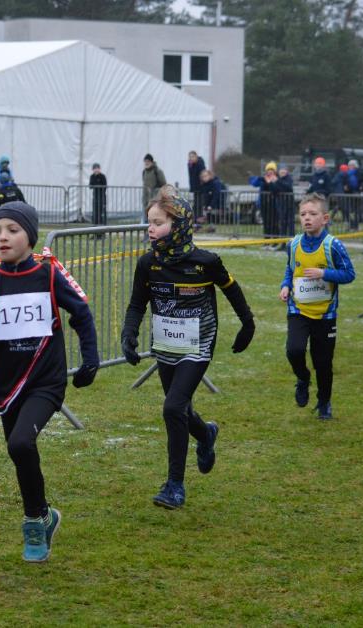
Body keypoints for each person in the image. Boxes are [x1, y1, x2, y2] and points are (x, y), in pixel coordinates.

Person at [0, 201, 99, 563]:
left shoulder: (47, 276)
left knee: (20, 442)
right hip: (8, 386)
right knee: (19, 452)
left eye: (12, 230)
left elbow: (81, 313)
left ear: (29, 237)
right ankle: (45, 515)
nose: (2, 237)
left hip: (46, 382)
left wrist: (90, 359)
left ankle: (32, 523)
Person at [121, 186, 255, 510]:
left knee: (171, 408)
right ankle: (206, 434)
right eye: (148, 222)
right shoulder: (147, 264)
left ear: (179, 223)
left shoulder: (205, 261)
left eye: (157, 222)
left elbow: (232, 290)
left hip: (198, 345)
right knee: (180, 409)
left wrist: (247, 325)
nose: (150, 229)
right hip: (166, 345)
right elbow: (137, 304)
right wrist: (128, 334)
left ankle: (174, 487)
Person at [280, 193, 356, 421]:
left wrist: (325, 273)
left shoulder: (333, 245)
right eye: (303, 214)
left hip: (325, 315)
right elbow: (290, 270)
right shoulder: (293, 244)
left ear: (325, 218)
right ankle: (302, 378)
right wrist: (285, 286)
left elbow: (349, 274)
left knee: (323, 363)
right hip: (298, 310)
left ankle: (324, 402)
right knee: (294, 350)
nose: (307, 218)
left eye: (313, 214)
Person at [251, 161, 292, 243]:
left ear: (275, 171)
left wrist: (271, 182)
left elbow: (275, 189)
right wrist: (259, 178)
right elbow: (254, 183)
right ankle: (266, 241)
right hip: (264, 204)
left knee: (274, 224)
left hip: (274, 205)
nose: (270, 172)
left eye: (272, 170)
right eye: (268, 170)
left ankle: (274, 241)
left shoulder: (276, 179)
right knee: (266, 224)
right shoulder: (264, 178)